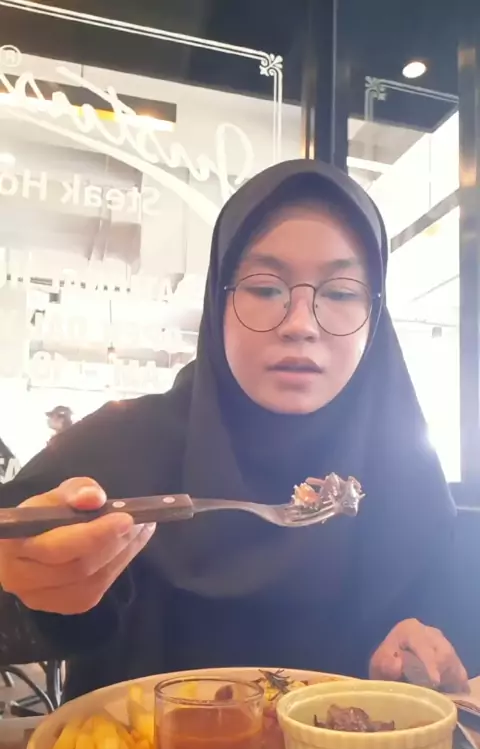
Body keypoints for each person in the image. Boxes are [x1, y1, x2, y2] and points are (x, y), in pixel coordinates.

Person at [0, 160, 475, 701]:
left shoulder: (405, 473)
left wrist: (423, 663)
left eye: (342, 293)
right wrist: (31, 585)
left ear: (376, 313)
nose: (301, 324)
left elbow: (451, 652)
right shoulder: (118, 449)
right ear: (217, 301)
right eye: (265, 288)